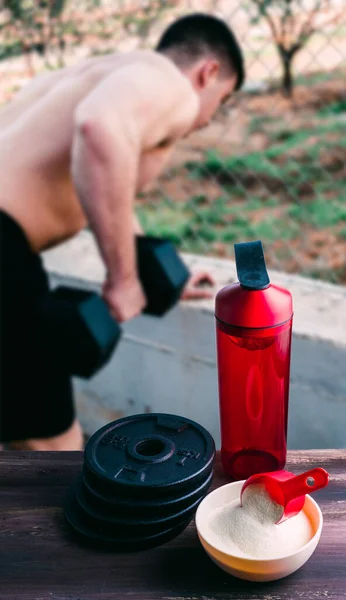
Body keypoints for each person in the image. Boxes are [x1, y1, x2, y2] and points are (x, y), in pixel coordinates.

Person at [0, 13, 245, 451]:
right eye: (222, 99)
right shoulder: (174, 85)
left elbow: (104, 175)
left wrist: (155, 270)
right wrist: (123, 278)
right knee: (48, 454)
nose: (209, 118)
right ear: (207, 73)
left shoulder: (86, 74)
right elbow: (99, 128)